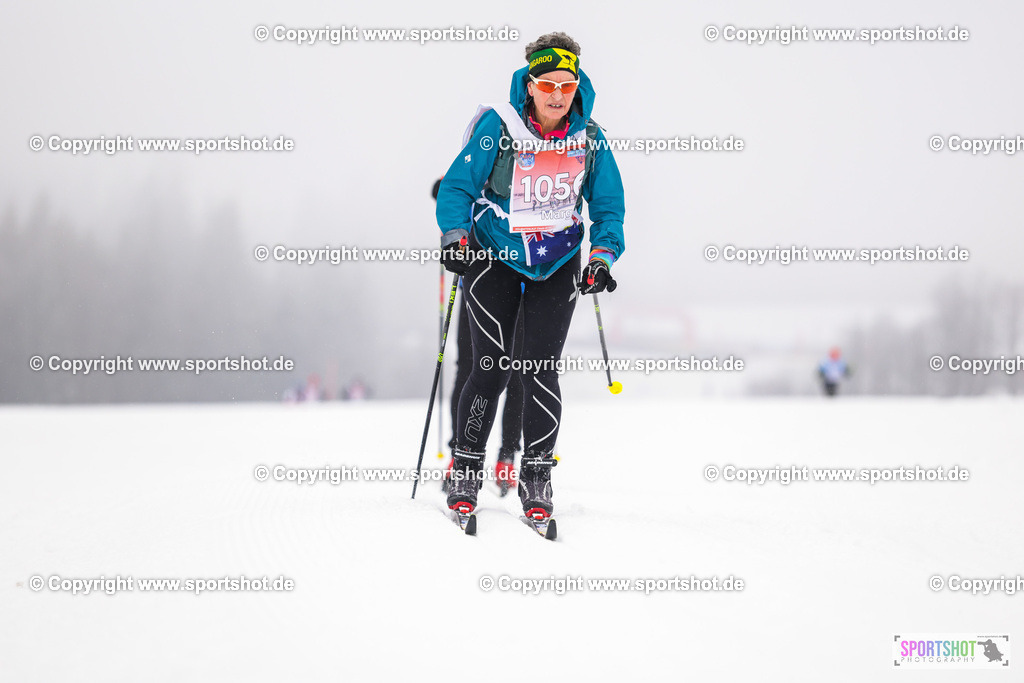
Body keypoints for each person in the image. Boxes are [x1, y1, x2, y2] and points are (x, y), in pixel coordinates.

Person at [435, 32, 625, 521]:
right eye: (548, 84)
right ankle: (466, 468)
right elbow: (457, 186)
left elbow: (607, 208)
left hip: (557, 262)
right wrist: (455, 238)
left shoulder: (591, 138)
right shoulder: (498, 126)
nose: (558, 95)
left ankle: (536, 476)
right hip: (492, 256)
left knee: (539, 371)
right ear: (531, 84)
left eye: (568, 84)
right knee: (491, 367)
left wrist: (602, 257)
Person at [433, 178, 524, 496]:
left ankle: (507, 456)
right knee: (470, 365)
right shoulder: (475, 161)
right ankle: (461, 452)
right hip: (476, 276)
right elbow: (451, 190)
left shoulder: (519, 161)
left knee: (517, 369)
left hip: (520, 274)